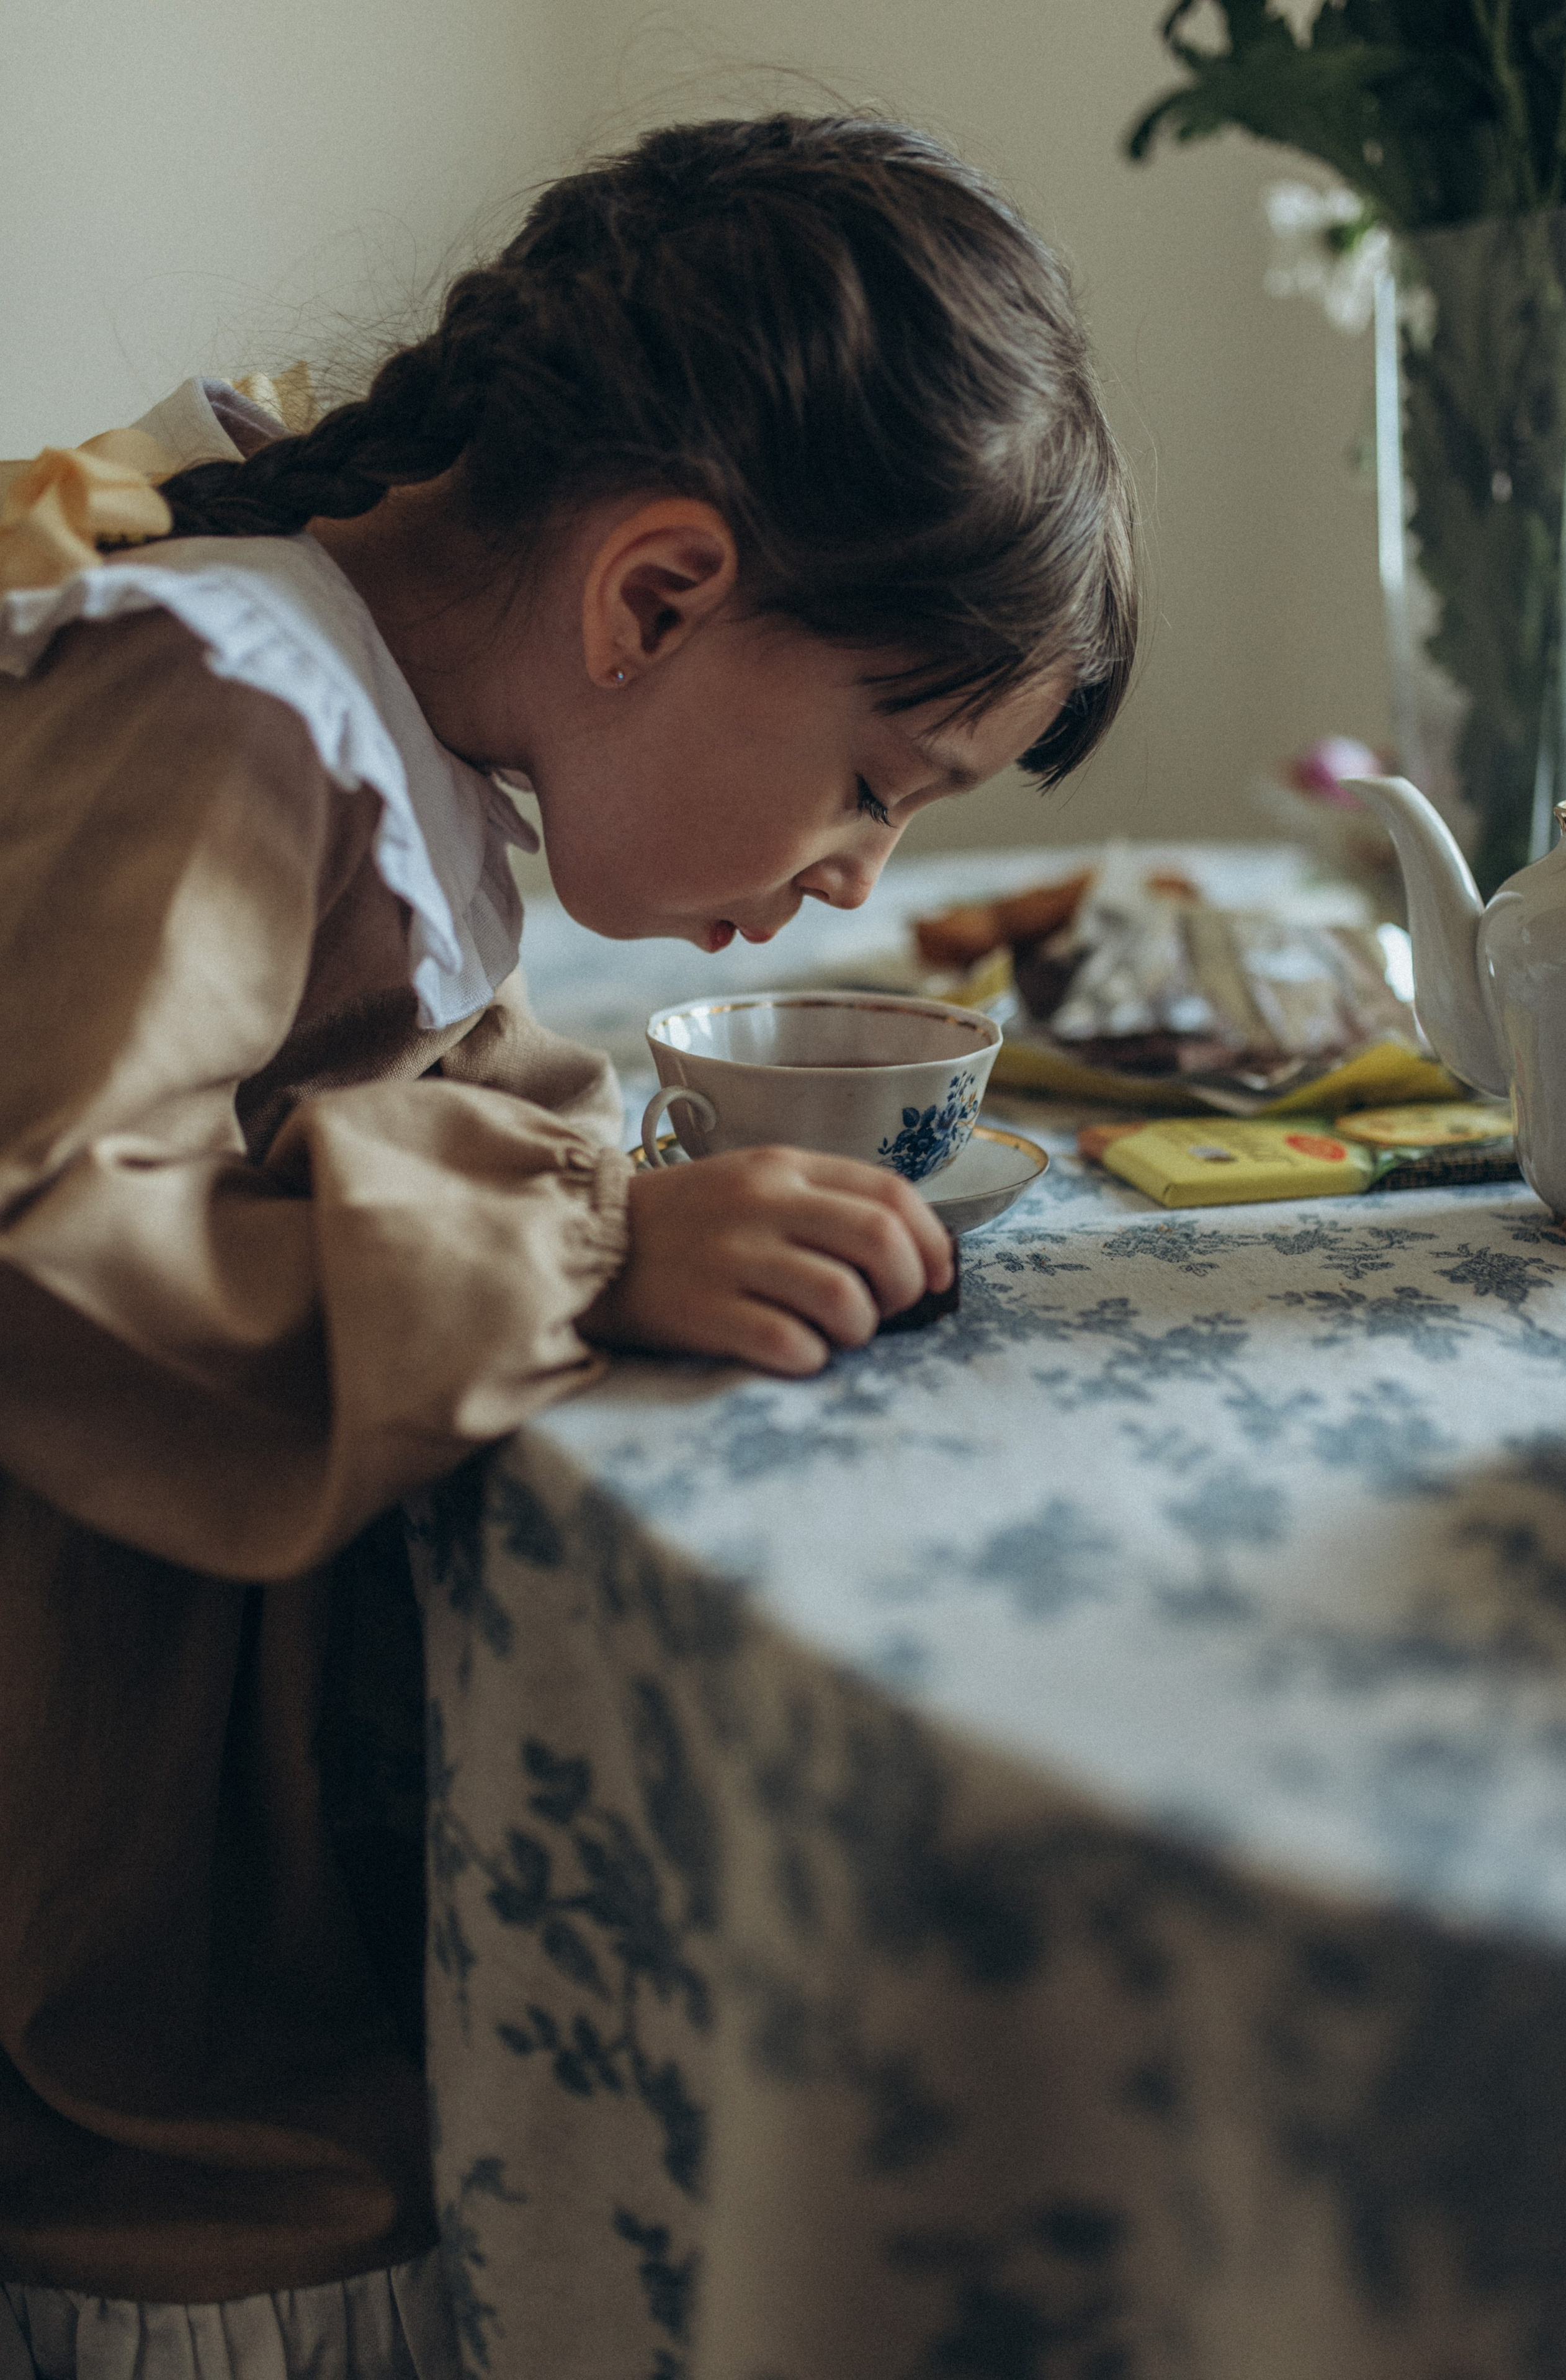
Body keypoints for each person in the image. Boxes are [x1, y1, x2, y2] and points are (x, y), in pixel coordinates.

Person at [0, 113, 1135, 2378]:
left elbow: (374, 1081)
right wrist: (578, 1244)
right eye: (876, 784)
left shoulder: (382, 715)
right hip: (125, 1965)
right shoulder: (219, 705)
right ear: (654, 595)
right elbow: (44, 1237)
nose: (854, 880)